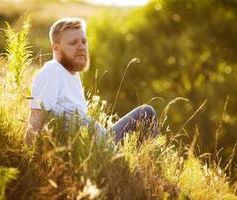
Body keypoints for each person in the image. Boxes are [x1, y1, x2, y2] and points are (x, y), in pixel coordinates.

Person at [25, 17, 158, 145]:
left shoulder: (72, 74)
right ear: (56, 48)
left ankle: (144, 163)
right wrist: (28, 160)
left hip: (100, 143)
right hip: (95, 150)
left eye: (84, 41)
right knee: (146, 112)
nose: (81, 47)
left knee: (145, 114)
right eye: (73, 43)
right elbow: (36, 119)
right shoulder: (52, 71)